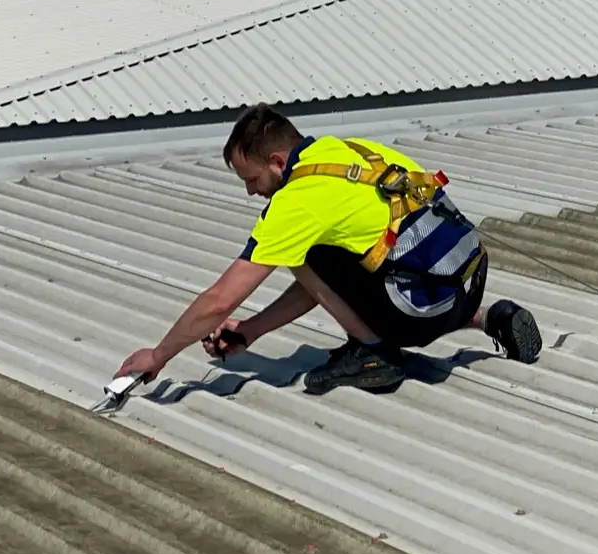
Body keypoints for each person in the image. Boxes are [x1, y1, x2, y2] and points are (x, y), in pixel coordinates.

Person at [116, 105, 542, 396]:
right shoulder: (353, 151)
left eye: (250, 179)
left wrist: (159, 355)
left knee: (305, 254)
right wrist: (251, 332)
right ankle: (490, 318)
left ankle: (375, 354)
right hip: (465, 281)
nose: (250, 192)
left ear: (279, 162)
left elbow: (221, 300)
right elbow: (331, 285)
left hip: (418, 309)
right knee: (357, 251)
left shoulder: (297, 201)